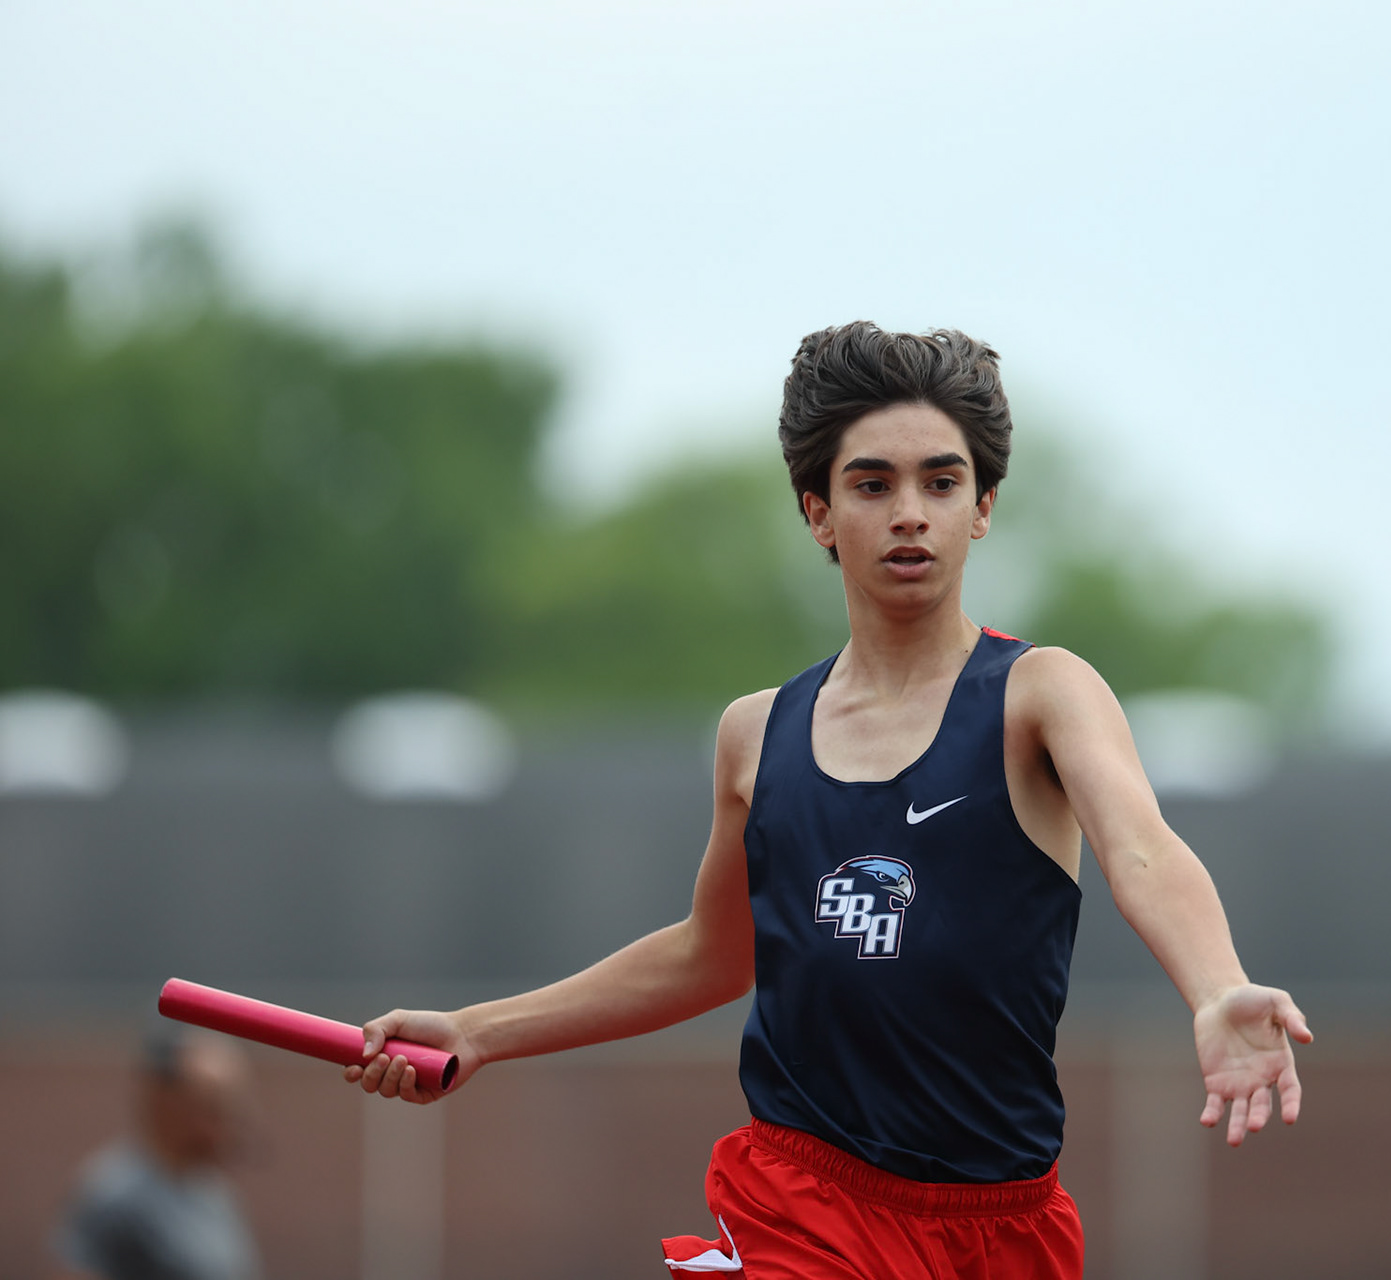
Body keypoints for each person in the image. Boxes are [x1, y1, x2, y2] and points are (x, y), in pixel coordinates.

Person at [345, 322, 1313, 1278]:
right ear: (819, 512)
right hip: (804, 1202)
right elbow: (712, 952)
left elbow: (1142, 848)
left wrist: (1217, 986)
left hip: (1002, 1225)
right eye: (872, 484)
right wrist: (477, 1030)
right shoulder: (756, 734)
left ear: (982, 507)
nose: (910, 513)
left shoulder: (1041, 694)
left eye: (941, 482)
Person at [51, 1027, 263, 1280]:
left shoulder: (215, 1193)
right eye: (211, 1109)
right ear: (164, 1102)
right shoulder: (113, 1194)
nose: (225, 1127)